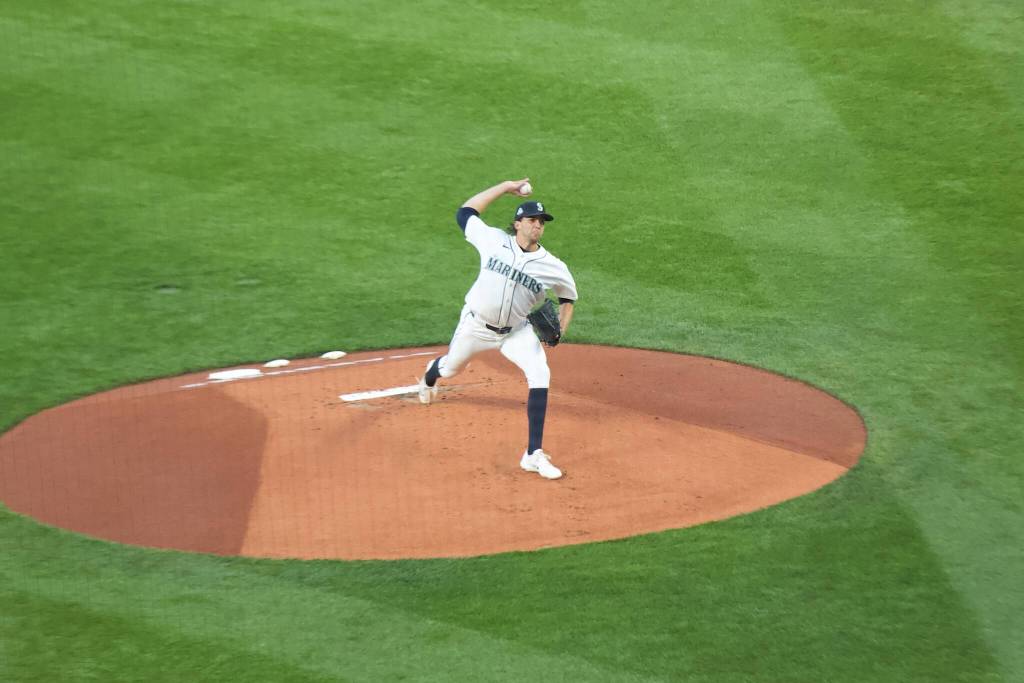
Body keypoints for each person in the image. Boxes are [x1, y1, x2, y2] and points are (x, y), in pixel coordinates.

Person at [417, 178, 578, 480]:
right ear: (518, 224)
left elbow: (568, 296)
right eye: (532, 220)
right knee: (451, 368)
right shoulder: (492, 239)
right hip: (476, 327)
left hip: (516, 332)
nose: (538, 226)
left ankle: (533, 453)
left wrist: (562, 329)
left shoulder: (553, 265)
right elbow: (464, 213)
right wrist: (504, 187)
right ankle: (430, 375)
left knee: (540, 374)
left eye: (542, 222)